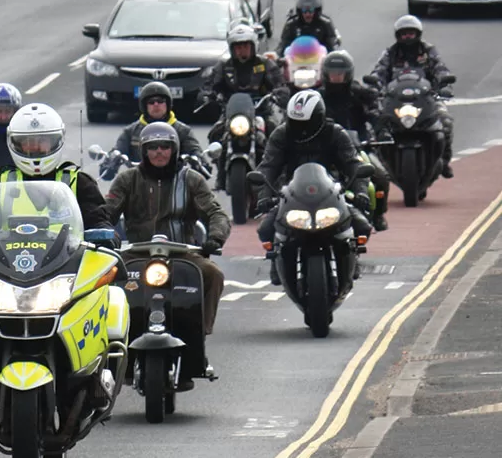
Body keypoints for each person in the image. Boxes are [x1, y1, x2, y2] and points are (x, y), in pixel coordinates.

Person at [104, 122, 230, 388]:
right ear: (144, 150)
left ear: (174, 149)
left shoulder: (191, 179)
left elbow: (216, 213)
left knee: (212, 274)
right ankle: (110, 345)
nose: (159, 152)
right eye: (153, 147)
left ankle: (199, 336)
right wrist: (106, 234)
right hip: (136, 253)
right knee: (104, 280)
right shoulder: (127, 179)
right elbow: (105, 214)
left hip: (181, 253)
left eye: (165, 147)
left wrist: (214, 238)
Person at [256, 90, 372, 285]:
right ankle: (277, 260)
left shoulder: (335, 133)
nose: (301, 127)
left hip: (331, 191)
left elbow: (353, 164)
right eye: (296, 121)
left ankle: (352, 257)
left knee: (362, 226)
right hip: (291, 193)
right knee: (266, 229)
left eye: (306, 122)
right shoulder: (281, 134)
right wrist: (263, 196)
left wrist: (360, 191)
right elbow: (268, 167)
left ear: (318, 118)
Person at [0, 102, 116, 241]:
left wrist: (106, 237)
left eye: (42, 141)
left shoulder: (79, 184)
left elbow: (101, 224)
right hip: (6, 264)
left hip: (69, 264)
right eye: (28, 143)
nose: (35, 147)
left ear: (57, 141)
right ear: (15, 144)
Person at [201, 23, 289, 190]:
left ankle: (279, 175)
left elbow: (280, 83)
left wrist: (279, 93)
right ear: (232, 48)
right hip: (232, 112)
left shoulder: (265, 64)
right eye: (238, 47)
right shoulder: (223, 66)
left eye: (245, 46)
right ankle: (221, 173)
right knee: (216, 133)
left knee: (277, 134)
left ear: (253, 46)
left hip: (260, 111)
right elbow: (209, 85)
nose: (242, 50)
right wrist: (208, 95)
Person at [368, 14, 456, 178]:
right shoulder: (390, 53)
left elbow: (441, 69)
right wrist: (373, 86)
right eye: (404, 33)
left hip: (426, 98)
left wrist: (444, 85)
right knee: (377, 125)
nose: (407, 37)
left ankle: (444, 161)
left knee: (445, 121)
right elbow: (378, 72)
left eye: (411, 33)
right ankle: (380, 162)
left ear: (418, 34)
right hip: (395, 100)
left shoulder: (428, 51)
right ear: (398, 35)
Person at [318, 50, 392, 231]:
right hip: (323, 150)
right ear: (325, 74)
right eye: (333, 74)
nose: (336, 78)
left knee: (381, 177)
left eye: (340, 74)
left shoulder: (361, 94)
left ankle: (379, 215)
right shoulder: (317, 96)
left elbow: (375, 114)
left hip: (358, 148)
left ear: (348, 74)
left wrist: (382, 132)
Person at [100, 81, 203, 181]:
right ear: (144, 105)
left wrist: (198, 160)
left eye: (160, 101)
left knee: (201, 194)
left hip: (175, 182)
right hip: (137, 184)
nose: (156, 104)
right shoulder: (130, 131)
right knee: (115, 193)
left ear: (168, 104)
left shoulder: (183, 131)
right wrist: (111, 161)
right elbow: (118, 150)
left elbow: (195, 151)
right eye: (151, 102)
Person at [275, 0, 341, 54]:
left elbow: (333, 48)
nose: (307, 14)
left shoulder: (325, 24)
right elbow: (282, 47)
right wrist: (275, 57)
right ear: (300, 11)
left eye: (311, 10)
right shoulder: (291, 24)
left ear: (316, 10)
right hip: (295, 61)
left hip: (319, 62)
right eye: (304, 11)